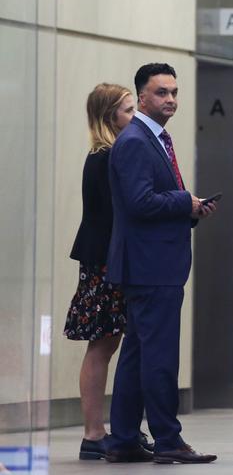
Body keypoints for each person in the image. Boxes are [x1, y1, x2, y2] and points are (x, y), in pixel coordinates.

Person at [105, 63, 217, 464]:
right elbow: (139, 202)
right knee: (159, 357)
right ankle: (168, 440)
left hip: (152, 264)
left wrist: (190, 209)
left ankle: (122, 439)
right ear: (141, 97)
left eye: (174, 92)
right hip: (151, 267)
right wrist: (184, 201)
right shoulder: (136, 140)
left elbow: (152, 199)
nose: (170, 99)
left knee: (137, 354)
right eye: (161, 93)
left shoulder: (154, 139)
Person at [65, 83, 153, 460]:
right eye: (129, 111)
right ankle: (93, 431)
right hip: (104, 261)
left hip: (106, 258)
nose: (135, 117)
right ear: (109, 116)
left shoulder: (109, 154)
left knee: (108, 342)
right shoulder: (106, 157)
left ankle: (103, 428)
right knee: (101, 344)